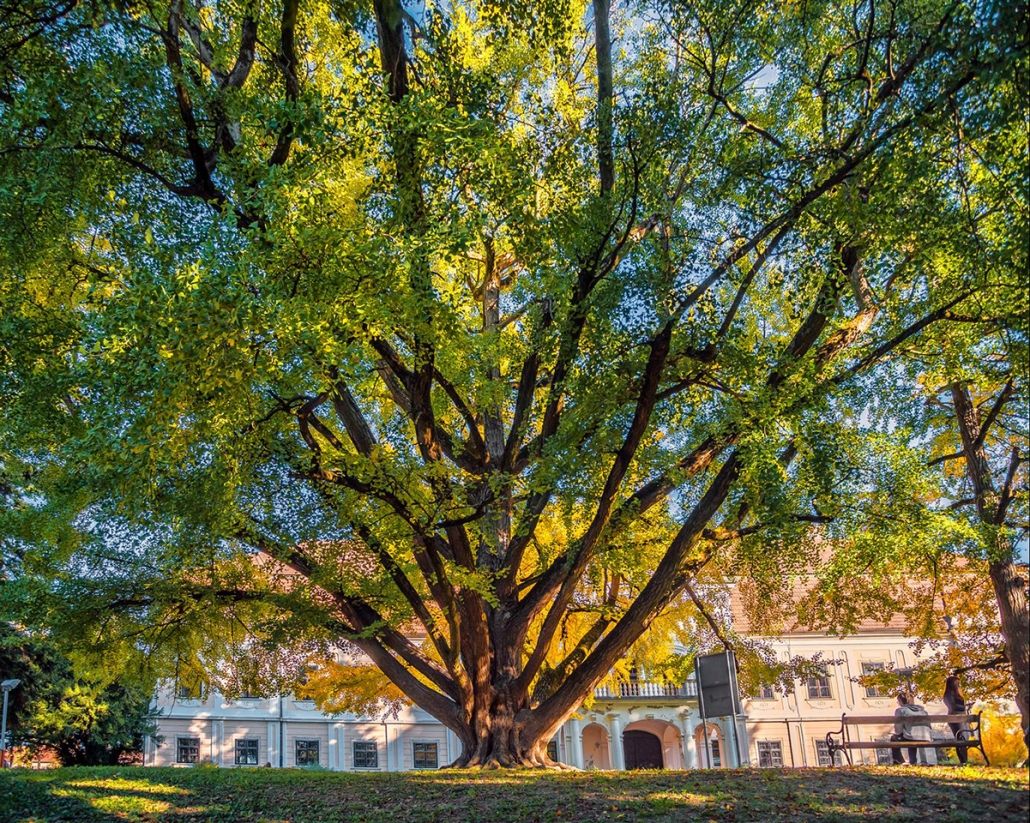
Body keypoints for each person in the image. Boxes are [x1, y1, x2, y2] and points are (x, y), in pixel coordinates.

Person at [890, 692, 937, 765]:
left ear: (901, 701)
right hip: (926, 737)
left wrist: (898, 733)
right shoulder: (923, 710)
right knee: (911, 735)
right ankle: (913, 761)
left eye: (898, 701)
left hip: (911, 737)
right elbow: (928, 726)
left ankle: (898, 761)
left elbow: (898, 730)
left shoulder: (900, 710)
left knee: (894, 738)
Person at [943, 676, 970, 764]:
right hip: (954, 718)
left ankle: (965, 760)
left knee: (964, 738)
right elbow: (953, 706)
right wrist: (964, 707)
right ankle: (963, 760)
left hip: (961, 717)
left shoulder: (957, 694)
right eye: (956, 682)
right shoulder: (948, 694)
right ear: (952, 683)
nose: (958, 684)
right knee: (960, 738)